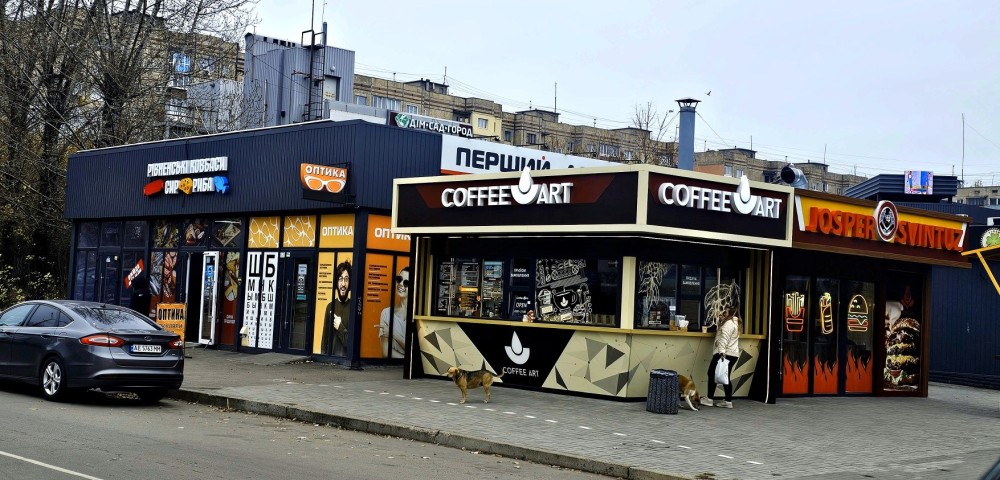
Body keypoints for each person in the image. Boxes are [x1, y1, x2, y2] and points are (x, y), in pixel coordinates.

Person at [701, 307, 741, 408]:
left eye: (725, 312)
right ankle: (727, 401)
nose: (723, 313)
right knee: (724, 376)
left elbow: (724, 339)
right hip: (732, 354)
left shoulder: (728, 324)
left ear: (731, 314)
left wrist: (721, 352)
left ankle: (709, 399)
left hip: (724, 353)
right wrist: (720, 321)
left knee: (711, 373)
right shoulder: (734, 323)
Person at [322, 261, 351, 356]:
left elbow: (352, 345)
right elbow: (325, 339)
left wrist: (340, 327)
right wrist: (324, 358)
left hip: (346, 361)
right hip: (331, 360)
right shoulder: (330, 307)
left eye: (346, 280)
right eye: (340, 279)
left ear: (350, 283)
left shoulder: (353, 308)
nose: (343, 284)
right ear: (337, 282)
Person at [379, 266, 410, 358]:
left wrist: (393, 334)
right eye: (399, 279)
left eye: (406, 283)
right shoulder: (386, 313)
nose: (400, 284)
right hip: (393, 366)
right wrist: (409, 360)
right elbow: (385, 352)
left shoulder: (417, 315)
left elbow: (416, 350)